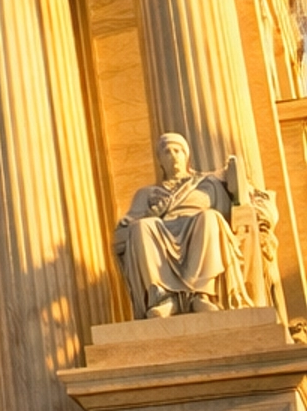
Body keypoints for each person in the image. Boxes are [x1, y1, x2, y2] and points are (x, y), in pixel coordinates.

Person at [114, 133, 268, 316]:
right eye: (167, 152)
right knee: (142, 227)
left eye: (177, 151)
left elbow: (235, 209)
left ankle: (201, 294)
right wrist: (153, 213)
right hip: (163, 229)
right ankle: (163, 296)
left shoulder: (208, 183)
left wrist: (236, 184)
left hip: (198, 227)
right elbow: (123, 232)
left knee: (209, 218)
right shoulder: (147, 193)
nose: (173, 156)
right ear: (160, 160)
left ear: (186, 156)